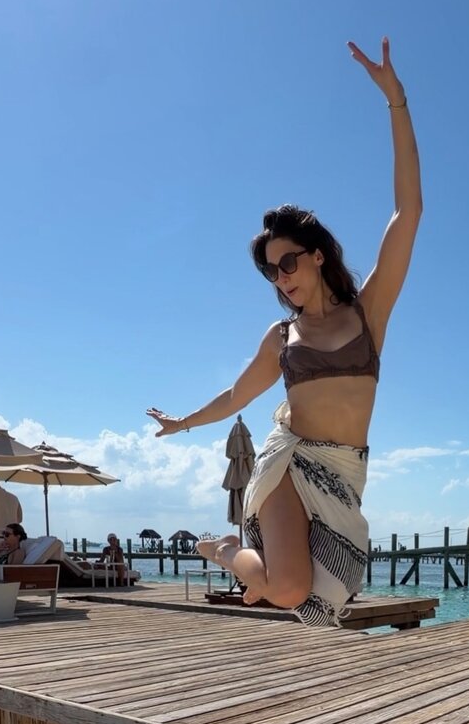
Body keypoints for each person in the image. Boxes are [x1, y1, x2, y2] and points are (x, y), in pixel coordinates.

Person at [147, 38, 421, 627]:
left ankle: (241, 561)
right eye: (272, 271)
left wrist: (396, 102)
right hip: (288, 464)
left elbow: (408, 213)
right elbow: (236, 395)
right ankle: (227, 550)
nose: (282, 277)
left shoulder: (368, 315)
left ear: (318, 255)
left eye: (289, 262)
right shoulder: (282, 338)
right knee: (293, 590)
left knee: (320, 597)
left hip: (343, 471)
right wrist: (181, 423)